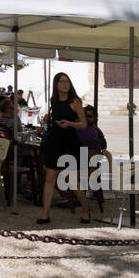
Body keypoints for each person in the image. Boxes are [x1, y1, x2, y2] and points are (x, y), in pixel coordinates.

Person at [37, 72, 92, 224]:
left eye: (67, 81)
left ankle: (86, 209)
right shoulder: (53, 101)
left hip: (70, 142)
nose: (65, 84)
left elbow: (83, 124)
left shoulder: (75, 101)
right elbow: (55, 119)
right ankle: (45, 214)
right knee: (50, 178)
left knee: (72, 180)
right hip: (55, 141)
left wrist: (69, 123)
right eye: (62, 81)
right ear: (56, 84)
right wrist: (49, 118)